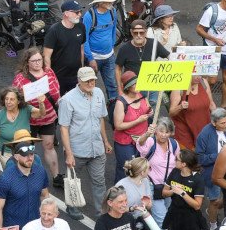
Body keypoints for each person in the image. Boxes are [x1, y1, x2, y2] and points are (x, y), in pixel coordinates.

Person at [59, 66, 112, 217]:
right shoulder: (67, 100)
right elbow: (64, 128)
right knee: (74, 180)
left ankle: (101, 212)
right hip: (77, 150)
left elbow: (101, 117)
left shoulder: (99, 93)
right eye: (87, 80)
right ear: (79, 81)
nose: (91, 83)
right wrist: (68, 153)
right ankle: (72, 206)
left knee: (99, 181)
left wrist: (106, 141)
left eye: (93, 80)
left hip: (97, 148)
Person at [13, 47, 62, 182]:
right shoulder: (20, 79)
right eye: (33, 61)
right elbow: (15, 99)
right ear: (27, 62)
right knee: (27, 150)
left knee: (49, 146)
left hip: (48, 118)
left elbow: (56, 88)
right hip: (29, 121)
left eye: (39, 60)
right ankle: (27, 176)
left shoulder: (49, 72)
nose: (37, 63)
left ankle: (56, 176)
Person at [136, 118, 180, 230]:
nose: (163, 135)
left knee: (165, 217)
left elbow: (177, 162)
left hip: (168, 187)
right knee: (162, 219)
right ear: (155, 131)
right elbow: (140, 144)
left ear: (171, 132)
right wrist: (147, 134)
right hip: (153, 187)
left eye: (167, 132)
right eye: (161, 131)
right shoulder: (150, 141)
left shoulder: (174, 144)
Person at [161, 149, 205, 230]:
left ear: (184, 164)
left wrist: (183, 193)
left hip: (192, 221)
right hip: (174, 217)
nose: (174, 161)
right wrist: (173, 191)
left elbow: (197, 205)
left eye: (177, 159)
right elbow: (164, 192)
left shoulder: (198, 179)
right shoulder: (175, 172)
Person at [83, 0, 122, 101]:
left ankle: (113, 113)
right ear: (100, 2)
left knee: (112, 87)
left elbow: (113, 29)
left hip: (109, 56)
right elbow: (84, 39)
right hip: (94, 58)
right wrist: (90, 58)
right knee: (90, 87)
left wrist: (111, 46)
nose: (111, 3)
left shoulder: (112, 11)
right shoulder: (89, 16)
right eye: (108, 1)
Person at [113, 71, 150, 181]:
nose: (137, 85)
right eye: (134, 84)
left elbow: (146, 108)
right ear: (128, 87)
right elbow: (118, 125)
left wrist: (150, 111)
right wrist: (138, 121)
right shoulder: (121, 102)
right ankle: (120, 193)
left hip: (141, 140)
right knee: (126, 170)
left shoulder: (141, 95)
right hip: (126, 142)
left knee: (139, 168)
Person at [196, 108, 226, 222]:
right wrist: (220, 155)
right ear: (213, 122)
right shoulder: (204, 134)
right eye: (223, 123)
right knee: (215, 201)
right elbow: (200, 158)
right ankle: (212, 224)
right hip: (213, 172)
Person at [0, 86, 38, 171]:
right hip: (7, 153)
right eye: (6, 99)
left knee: (27, 174)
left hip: (25, 150)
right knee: (15, 174)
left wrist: (41, 102)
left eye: (12, 99)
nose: (8, 102)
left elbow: (41, 113)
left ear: (18, 101)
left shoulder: (26, 110)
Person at [114, 19, 170, 84]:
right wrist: (120, 87)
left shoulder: (154, 44)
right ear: (131, 32)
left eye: (141, 32)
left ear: (146, 32)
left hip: (150, 84)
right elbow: (118, 69)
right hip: (132, 86)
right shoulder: (124, 48)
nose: (138, 35)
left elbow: (170, 57)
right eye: (135, 33)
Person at [169, 75, 213, 153]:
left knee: (205, 154)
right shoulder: (179, 87)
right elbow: (171, 112)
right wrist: (180, 107)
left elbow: (211, 104)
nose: (198, 77)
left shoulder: (204, 82)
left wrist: (221, 117)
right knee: (189, 158)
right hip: (185, 131)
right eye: (195, 75)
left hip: (203, 127)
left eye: (200, 74)